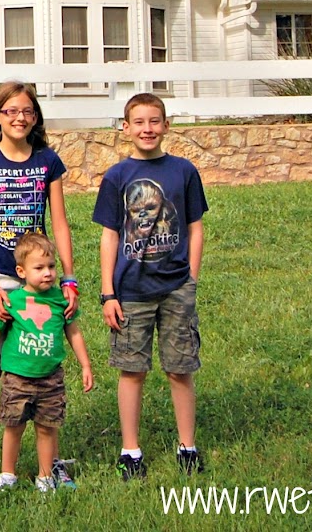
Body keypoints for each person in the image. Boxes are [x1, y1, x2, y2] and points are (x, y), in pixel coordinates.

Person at [0, 81, 81, 485]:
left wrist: (68, 278)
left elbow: (60, 224)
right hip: (0, 279)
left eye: (27, 111)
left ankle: (53, 462)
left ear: (35, 117)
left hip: (40, 281)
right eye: (11, 111)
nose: (19, 118)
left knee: (45, 364)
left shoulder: (48, 162)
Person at [93, 92, 209, 480]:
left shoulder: (183, 171)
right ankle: (131, 450)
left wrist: (190, 278)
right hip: (130, 291)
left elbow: (195, 227)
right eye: (139, 122)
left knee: (180, 368)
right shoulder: (117, 177)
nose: (147, 129)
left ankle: (187, 446)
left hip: (176, 287)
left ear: (166, 125)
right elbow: (109, 236)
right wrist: (108, 292)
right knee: (132, 370)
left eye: (154, 121)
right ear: (125, 128)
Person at [0, 231, 94, 491]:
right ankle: (8, 474)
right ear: (21, 271)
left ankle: (45, 476)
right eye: (39, 268)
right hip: (17, 378)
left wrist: (85, 365)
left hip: (50, 378)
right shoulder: (12, 301)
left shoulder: (61, 300)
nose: (48, 273)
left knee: (47, 428)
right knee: (13, 427)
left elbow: (73, 332)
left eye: (51, 266)